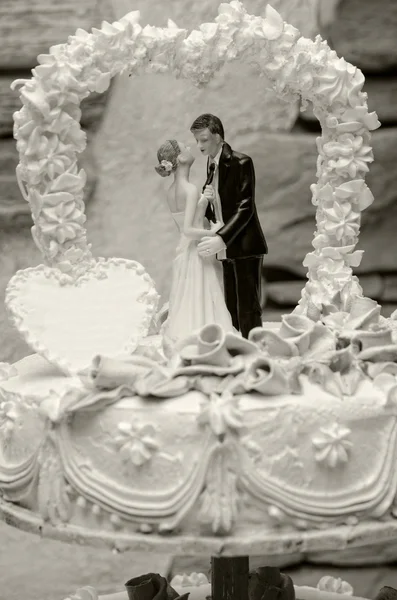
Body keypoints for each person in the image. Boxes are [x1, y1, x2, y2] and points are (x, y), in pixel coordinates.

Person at [190, 114, 268, 339]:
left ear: (218, 136)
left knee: (248, 304)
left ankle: (255, 344)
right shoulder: (211, 164)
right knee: (230, 303)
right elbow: (219, 204)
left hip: (243, 244)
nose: (199, 146)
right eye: (197, 140)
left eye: (203, 140)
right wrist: (206, 201)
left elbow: (245, 208)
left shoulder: (240, 162)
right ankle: (236, 345)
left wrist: (221, 237)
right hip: (226, 246)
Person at [154, 139, 234, 353]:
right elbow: (190, 230)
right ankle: (205, 335)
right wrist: (216, 233)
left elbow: (183, 227)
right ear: (179, 158)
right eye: (185, 147)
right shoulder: (189, 189)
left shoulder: (171, 191)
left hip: (184, 248)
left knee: (190, 293)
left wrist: (203, 202)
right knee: (203, 292)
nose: (190, 149)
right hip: (194, 249)